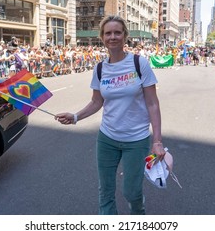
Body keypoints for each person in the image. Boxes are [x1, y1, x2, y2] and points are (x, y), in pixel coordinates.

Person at [55, 15, 165, 215]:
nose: (112, 37)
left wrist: (157, 140)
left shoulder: (140, 63)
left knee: (132, 193)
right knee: (105, 192)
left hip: (136, 140)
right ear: (102, 37)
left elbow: (152, 103)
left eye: (117, 32)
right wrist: (76, 116)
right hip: (107, 139)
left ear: (125, 36)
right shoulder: (99, 69)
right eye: (108, 33)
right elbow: (97, 101)